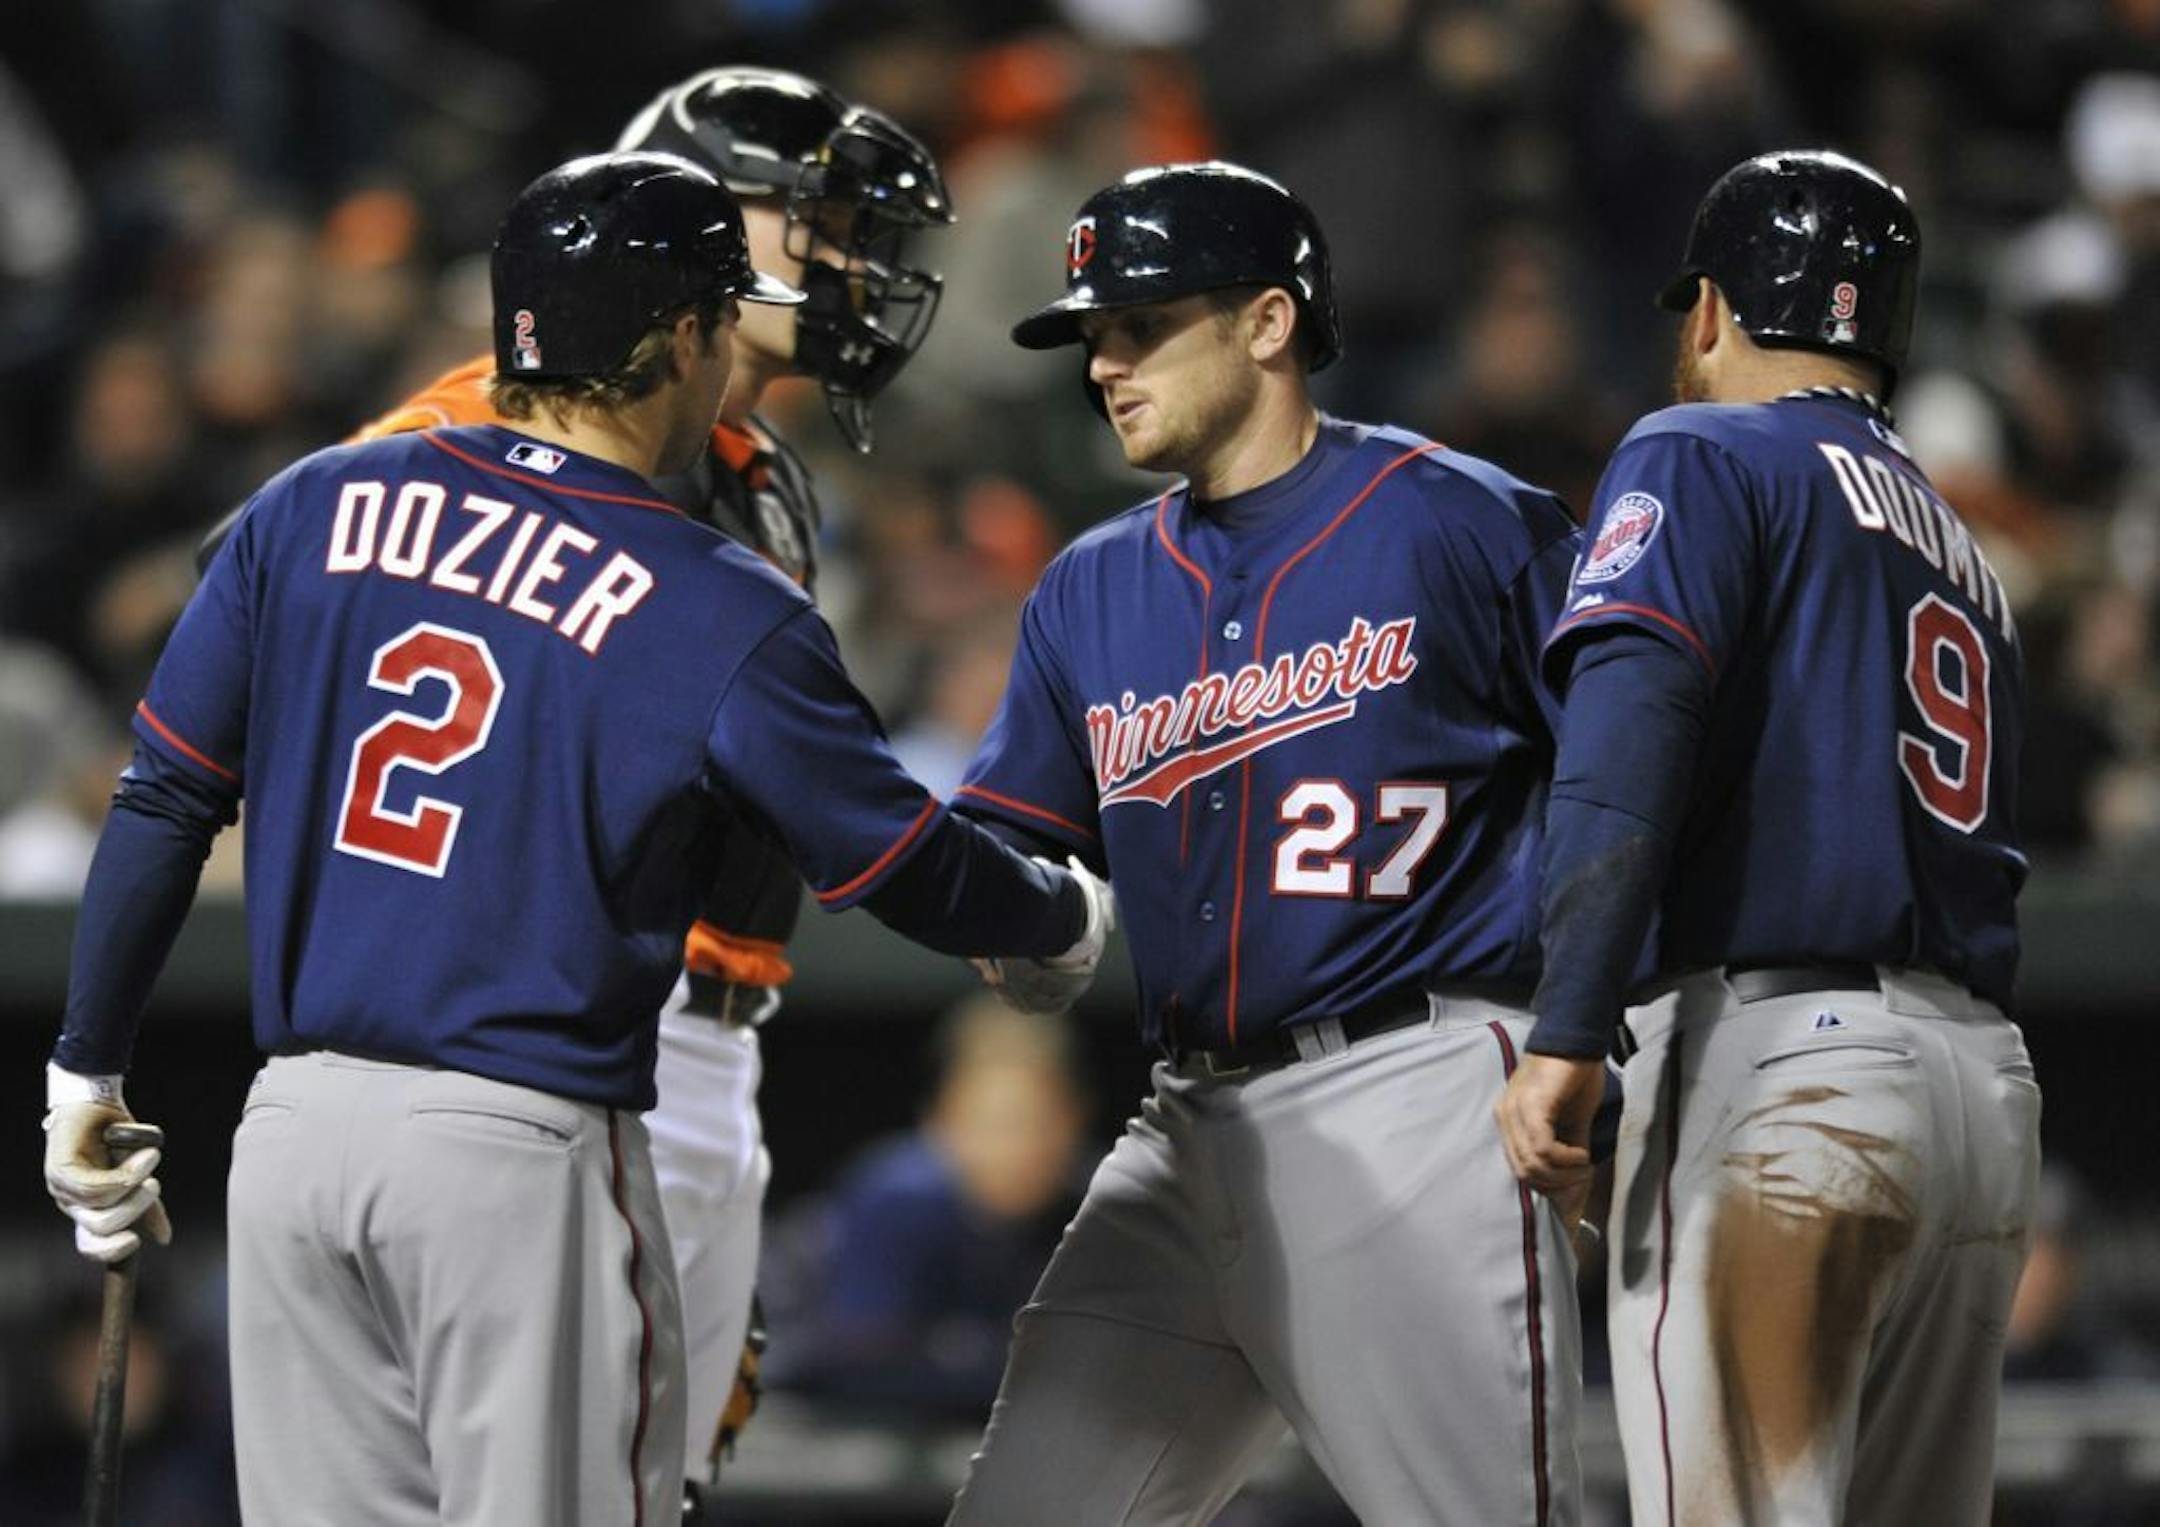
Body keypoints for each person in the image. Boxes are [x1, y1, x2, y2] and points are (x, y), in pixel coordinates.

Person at [38, 150, 1110, 1527]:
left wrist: (85, 1070)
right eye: (722, 322)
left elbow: (164, 797)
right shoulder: (707, 593)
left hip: (293, 1136)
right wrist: (1052, 918)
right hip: (514, 1142)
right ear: (680, 339)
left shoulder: (308, 502)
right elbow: (892, 858)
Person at [224, 65, 957, 1484]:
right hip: (557, 1036)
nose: (851, 263)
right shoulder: (489, 420)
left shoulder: (745, 459)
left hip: (695, 1041)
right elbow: (256, 601)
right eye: (819, 221)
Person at [947, 160, 1590, 1524]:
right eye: (1093, 336)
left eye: (1140, 324)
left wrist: (1602, 1029)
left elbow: (1635, 777)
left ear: (1266, 322)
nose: (1105, 363)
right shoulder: (1090, 585)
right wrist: (1003, 911)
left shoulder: (1462, 518)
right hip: (1185, 1123)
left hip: (1413, 1085)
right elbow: (1008, 845)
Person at [1493, 150, 2042, 1527]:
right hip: (1981, 1090)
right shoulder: (1964, 547)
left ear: (1711, 313)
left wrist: (1565, 1031)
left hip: (1794, 1071)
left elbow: (1627, 744)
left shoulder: (1700, 446)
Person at [770, 995, 1089, 1418]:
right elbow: (859, 1367)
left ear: (1075, 1120)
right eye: (992, 1124)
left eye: (1036, 1122)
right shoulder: (896, 1201)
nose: (1015, 1148)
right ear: (941, 1122)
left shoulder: (1100, 1209)